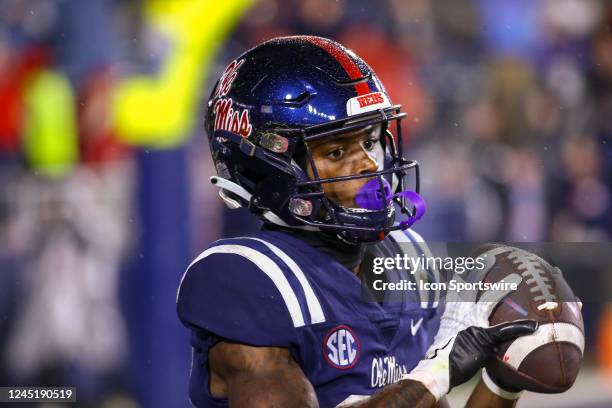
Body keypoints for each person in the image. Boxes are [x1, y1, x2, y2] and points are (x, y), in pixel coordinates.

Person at [177, 36, 536, 408]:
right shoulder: (245, 279)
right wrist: (439, 370)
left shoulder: (405, 258)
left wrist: (501, 383)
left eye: (370, 141)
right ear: (265, 169)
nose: (367, 164)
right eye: (336, 150)